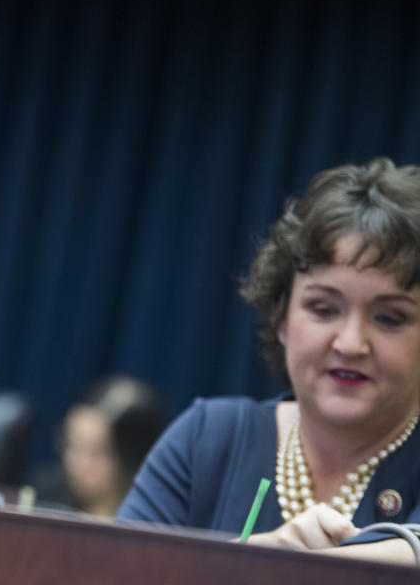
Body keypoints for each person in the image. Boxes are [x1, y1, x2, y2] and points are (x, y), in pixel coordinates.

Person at [117, 157, 420, 564]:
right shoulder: (208, 439)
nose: (350, 344)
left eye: (389, 318)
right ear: (282, 317)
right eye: (324, 309)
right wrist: (252, 561)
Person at [33, 376, 163, 516]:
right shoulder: (45, 500)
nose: (74, 462)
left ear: (133, 458)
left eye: (95, 452)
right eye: (70, 444)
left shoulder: (155, 518)